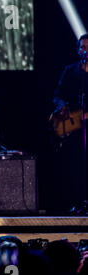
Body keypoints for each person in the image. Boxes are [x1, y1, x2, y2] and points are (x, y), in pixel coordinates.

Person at [52, 33, 88, 213]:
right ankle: (78, 201)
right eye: (82, 47)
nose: (85, 51)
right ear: (77, 49)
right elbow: (57, 95)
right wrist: (62, 106)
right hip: (74, 127)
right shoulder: (70, 71)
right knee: (75, 163)